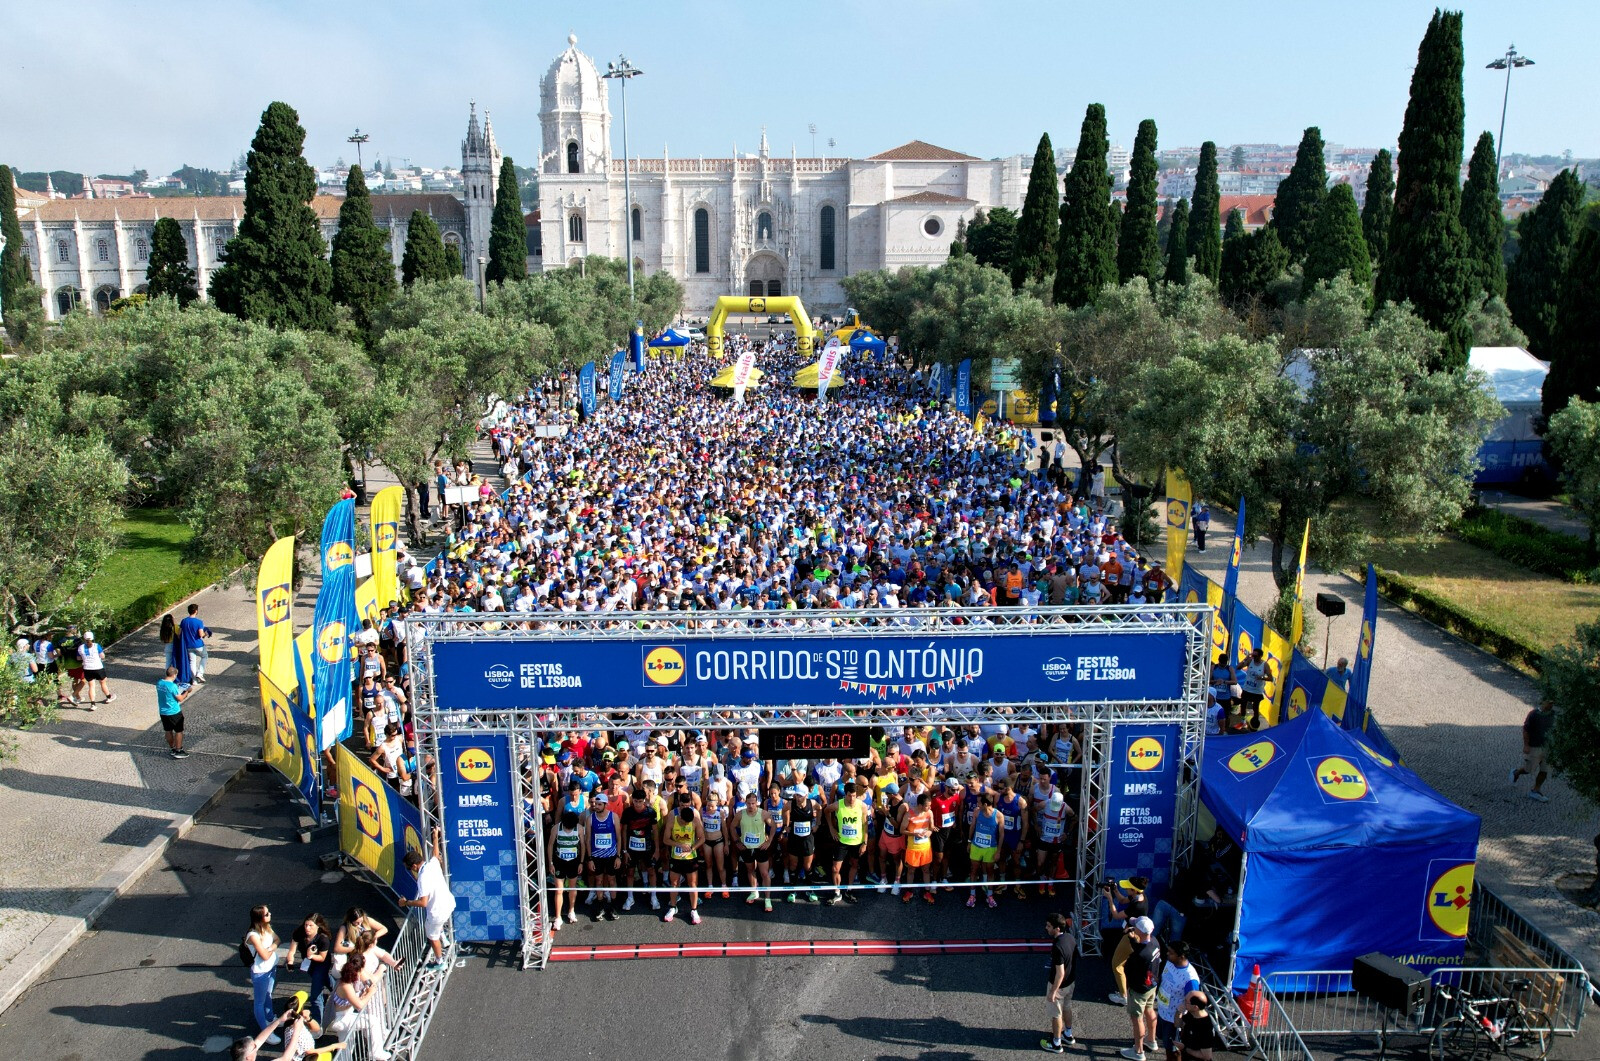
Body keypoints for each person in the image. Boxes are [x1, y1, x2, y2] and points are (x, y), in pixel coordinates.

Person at [399, 827, 454, 971]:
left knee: (431, 935)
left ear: (415, 865)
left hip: (437, 912)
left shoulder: (422, 878)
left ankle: (440, 962)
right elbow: (435, 853)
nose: (410, 870)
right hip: (448, 903)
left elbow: (423, 902)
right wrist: (436, 837)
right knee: (437, 926)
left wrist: (406, 903)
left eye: (409, 868)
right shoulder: (432, 864)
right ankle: (444, 936)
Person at [659, 791, 704, 924]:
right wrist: (678, 844)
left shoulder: (694, 818)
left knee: (692, 884)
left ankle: (694, 910)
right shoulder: (673, 818)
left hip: (691, 858)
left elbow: (702, 838)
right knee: (674, 883)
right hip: (676, 857)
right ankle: (673, 907)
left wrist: (692, 848)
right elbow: (666, 839)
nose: (685, 825)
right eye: (684, 823)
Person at [1120, 916, 1161, 1061]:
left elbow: (1128, 969)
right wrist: (1133, 939)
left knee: (1137, 1018)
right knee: (1149, 1011)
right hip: (1151, 985)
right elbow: (1141, 947)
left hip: (1138, 989)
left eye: (1136, 927)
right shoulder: (1155, 942)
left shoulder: (1140, 955)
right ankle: (1152, 1040)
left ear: (1140, 931)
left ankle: (1138, 1051)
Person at [1157, 940, 1202, 1061]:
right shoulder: (1170, 962)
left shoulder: (1190, 979)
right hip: (1162, 1012)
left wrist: (1181, 1015)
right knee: (1166, 1046)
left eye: (1170, 953)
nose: (1167, 954)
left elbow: (1194, 1005)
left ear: (1181, 956)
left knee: (1174, 1051)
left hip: (1174, 1020)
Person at [284, 914, 333, 1025]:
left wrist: (310, 956)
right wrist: (290, 962)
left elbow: (322, 957)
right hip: (309, 964)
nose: (307, 928)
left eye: (311, 925)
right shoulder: (299, 933)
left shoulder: (323, 939)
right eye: (306, 925)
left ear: (318, 926)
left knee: (315, 995)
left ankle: (317, 1023)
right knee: (324, 979)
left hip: (321, 964)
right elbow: (292, 951)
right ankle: (337, 991)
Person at [1040, 912, 1077, 1054]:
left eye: (1049, 926)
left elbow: (1059, 973)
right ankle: (1068, 1034)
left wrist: (1053, 991)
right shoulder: (1070, 938)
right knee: (1067, 1008)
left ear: (1057, 929)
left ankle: (1056, 1043)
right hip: (1070, 982)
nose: (1046, 928)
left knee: (1056, 1014)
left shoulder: (1057, 946)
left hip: (1059, 985)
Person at [244, 904, 280, 1044]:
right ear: (259, 917)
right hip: (261, 972)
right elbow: (264, 956)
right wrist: (271, 949)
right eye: (266, 914)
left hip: (271, 967)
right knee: (259, 1002)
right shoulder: (253, 935)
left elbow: (278, 940)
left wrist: (270, 948)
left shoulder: (267, 928)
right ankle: (265, 1033)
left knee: (268, 994)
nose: (269, 914)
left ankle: (270, 1018)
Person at [1511, 699, 1556, 803]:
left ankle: (1536, 790)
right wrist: (1526, 745)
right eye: (1549, 702)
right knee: (1529, 769)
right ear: (1543, 702)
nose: (1551, 705)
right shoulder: (1533, 714)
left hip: (1548, 747)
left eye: (1552, 703)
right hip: (1534, 746)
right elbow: (1526, 730)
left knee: (1545, 770)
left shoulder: (1553, 714)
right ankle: (1516, 772)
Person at [547, 808, 585, 931]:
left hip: (573, 862)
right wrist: (551, 863)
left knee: (572, 888)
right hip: (559, 862)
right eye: (566, 828)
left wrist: (581, 863)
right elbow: (550, 845)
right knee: (559, 890)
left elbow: (583, 845)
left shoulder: (579, 828)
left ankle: (571, 911)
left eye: (570, 828)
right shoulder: (556, 828)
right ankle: (558, 917)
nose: (568, 830)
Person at [1176, 991, 1220, 1061]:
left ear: (1195, 1007)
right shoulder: (1192, 1013)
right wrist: (1178, 1012)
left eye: (1186, 1002)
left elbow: (1207, 1057)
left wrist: (1184, 1048)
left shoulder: (1205, 1027)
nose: (1183, 1003)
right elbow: (1177, 1024)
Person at [77, 630, 113, 706]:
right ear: (92, 638)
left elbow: (78, 658)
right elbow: (102, 656)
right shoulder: (96, 646)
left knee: (91, 686)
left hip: (87, 668)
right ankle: (108, 697)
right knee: (103, 683)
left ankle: (93, 704)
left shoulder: (80, 647)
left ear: (84, 639)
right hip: (98, 667)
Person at [180, 602, 212, 683]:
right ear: (196, 611)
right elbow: (201, 634)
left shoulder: (183, 621)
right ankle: (200, 673)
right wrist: (206, 633)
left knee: (192, 662)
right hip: (198, 645)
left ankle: (194, 680)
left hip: (188, 645)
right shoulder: (199, 622)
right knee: (204, 656)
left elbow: (180, 632)